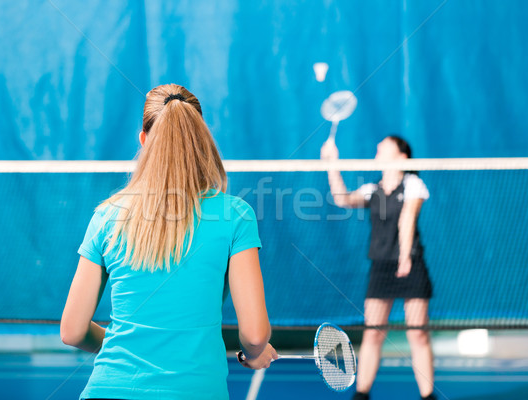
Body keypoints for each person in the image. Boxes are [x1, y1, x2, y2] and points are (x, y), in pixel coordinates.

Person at [61, 84, 277, 400]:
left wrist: (126, 344)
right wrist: (254, 352)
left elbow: (73, 331)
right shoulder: (235, 215)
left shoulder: (107, 216)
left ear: (144, 139)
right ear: (201, 142)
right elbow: (255, 334)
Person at [321, 136, 436, 400]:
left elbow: (407, 218)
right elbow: (343, 199)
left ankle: (429, 396)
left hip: (411, 264)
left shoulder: (414, 184)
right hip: (381, 267)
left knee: (418, 335)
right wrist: (331, 163)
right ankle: (362, 394)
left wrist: (405, 257)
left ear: (402, 157)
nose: (377, 150)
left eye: (384, 147)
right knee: (373, 335)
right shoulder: (373, 190)